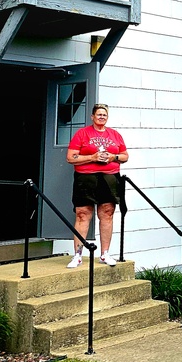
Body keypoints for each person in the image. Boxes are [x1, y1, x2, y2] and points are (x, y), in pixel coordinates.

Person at [65, 103, 128, 268]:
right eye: (99, 114)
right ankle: (77, 255)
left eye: (104, 115)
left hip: (110, 177)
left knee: (107, 213)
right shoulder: (82, 133)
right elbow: (71, 157)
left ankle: (105, 254)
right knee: (82, 214)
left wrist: (113, 157)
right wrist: (92, 158)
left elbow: (125, 156)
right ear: (92, 117)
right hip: (86, 178)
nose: (101, 117)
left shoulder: (115, 135)